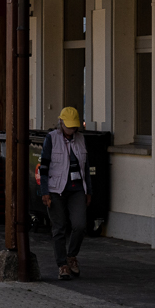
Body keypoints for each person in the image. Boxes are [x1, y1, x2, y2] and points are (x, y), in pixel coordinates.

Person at [38, 106, 89, 280]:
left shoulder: (81, 139)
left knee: (80, 225)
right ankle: (62, 265)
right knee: (59, 228)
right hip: (55, 190)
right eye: (69, 127)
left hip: (77, 190)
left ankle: (72, 255)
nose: (71, 130)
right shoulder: (51, 139)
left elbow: (86, 168)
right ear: (61, 123)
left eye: (74, 127)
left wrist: (88, 191)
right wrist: (45, 191)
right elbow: (43, 167)